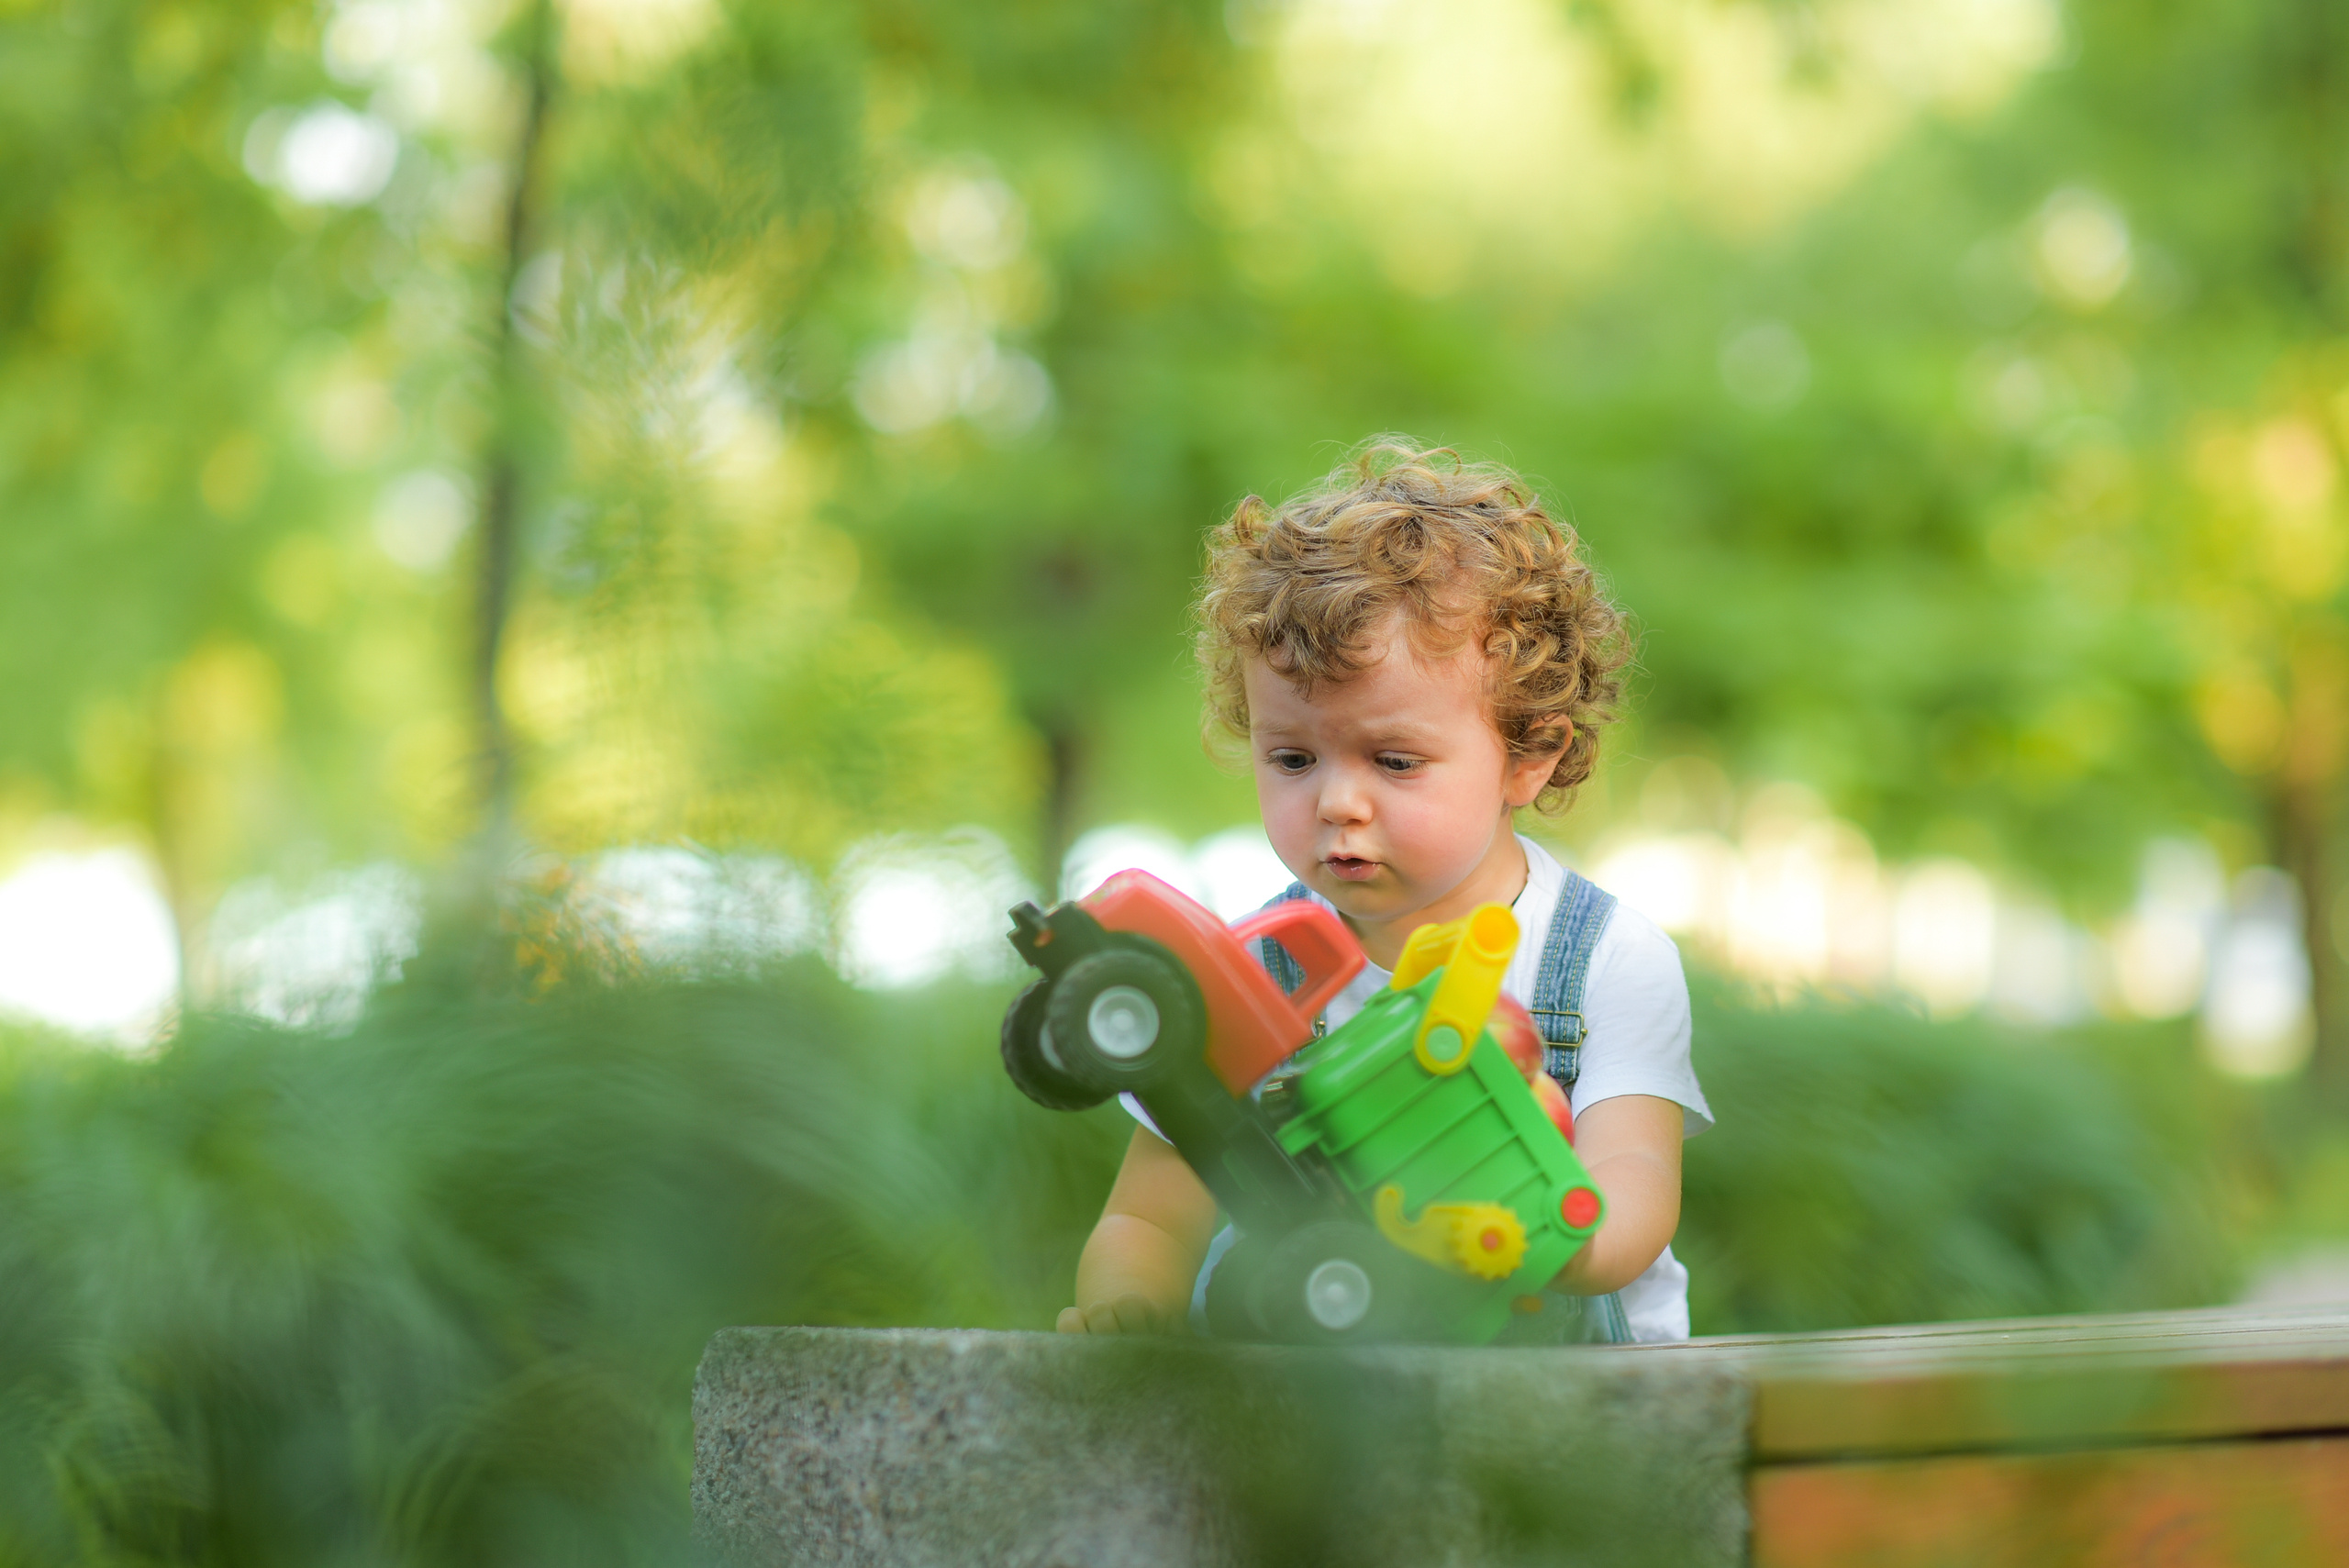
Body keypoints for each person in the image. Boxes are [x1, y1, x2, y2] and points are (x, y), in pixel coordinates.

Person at [1054, 440, 1711, 1344]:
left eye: (1393, 760)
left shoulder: (1603, 957)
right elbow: (1149, 1218)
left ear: (1530, 756)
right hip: (1312, 1411)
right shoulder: (1243, 973)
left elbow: (1632, 1182)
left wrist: (1547, 1239)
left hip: (1570, 1407)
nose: (1335, 801)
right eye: (1292, 757)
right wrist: (1130, 1305)